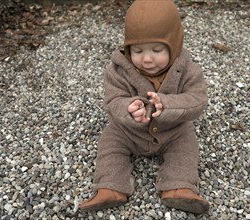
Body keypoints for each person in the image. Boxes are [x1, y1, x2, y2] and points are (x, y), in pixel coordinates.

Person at [79, 0, 209, 214]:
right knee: (110, 142)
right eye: (137, 50)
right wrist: (128, 108)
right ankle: (111, 186)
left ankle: (179, 186)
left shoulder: (189, 71)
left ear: (174, 44)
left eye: (157, 50)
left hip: (173, 130)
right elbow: (113, 101)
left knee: (186, 145)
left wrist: (168, 105)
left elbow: (197, 100)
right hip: (129, 131)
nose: (147, 59)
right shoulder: (118, 70)